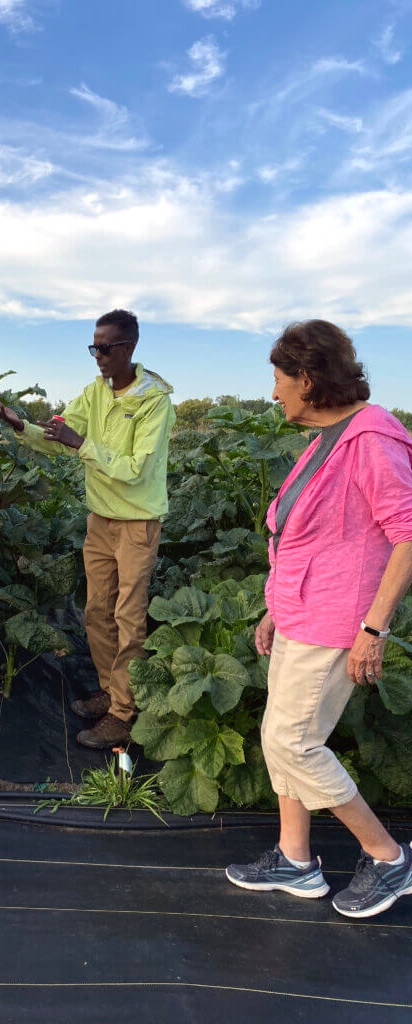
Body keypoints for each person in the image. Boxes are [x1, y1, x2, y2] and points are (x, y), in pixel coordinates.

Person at [226, 320, 412, 919]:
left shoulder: (370, 439)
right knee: (279, 736)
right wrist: (274, 609)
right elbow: (306, 539)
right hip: (301, 613)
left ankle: (387, 858)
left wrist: (373, 630)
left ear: (307, 379)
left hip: (337, 621)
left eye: (279, 380)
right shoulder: (330, 437)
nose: (273, 393)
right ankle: (295, 859)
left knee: (294, 742)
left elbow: (406, 535)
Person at [0, 310, 175, 748]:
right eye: (94, 347)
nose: (98, 357)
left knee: (128, 618)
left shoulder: (153, 402)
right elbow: (60, 435)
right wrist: (21, 427)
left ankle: (124, 715)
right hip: (100, 521)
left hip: (136, 525)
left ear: (129, 348)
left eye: (105, 348)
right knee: (96, 613)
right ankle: (111, 693)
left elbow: (134, 469)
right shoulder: (95, 394)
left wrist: (82, 444)